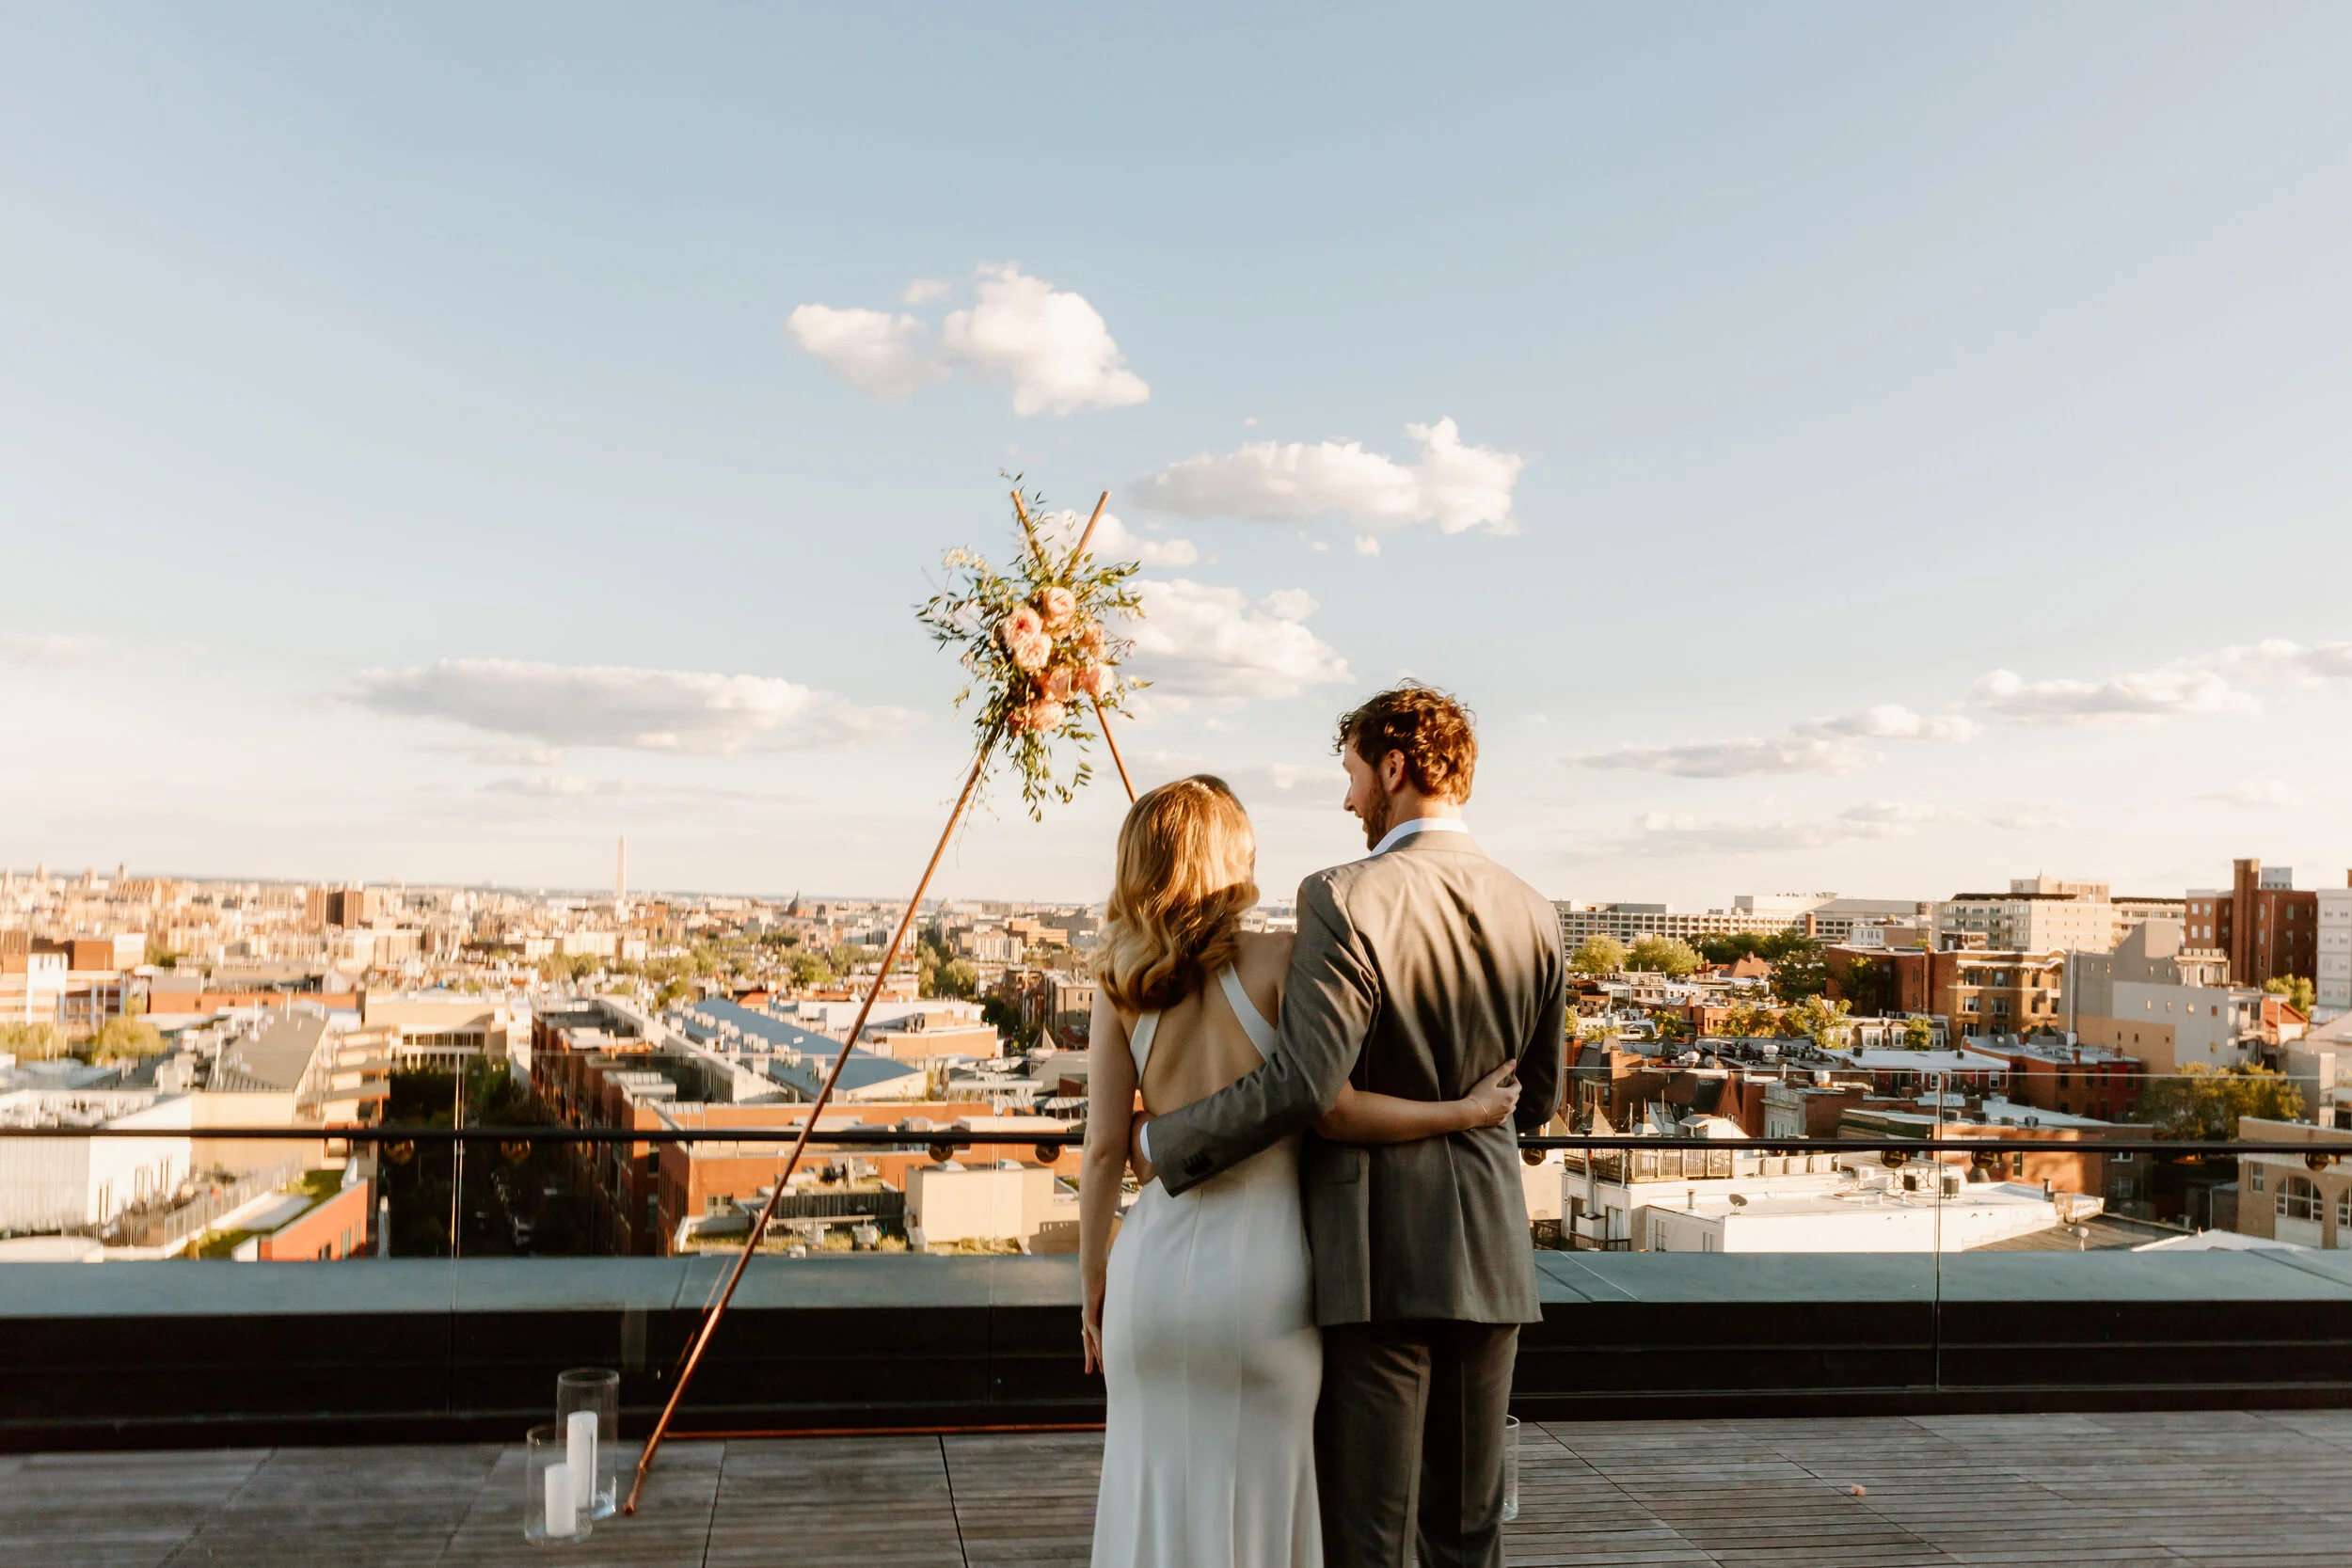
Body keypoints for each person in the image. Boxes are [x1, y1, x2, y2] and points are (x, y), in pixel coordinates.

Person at [1131, 686, 1566, 1568]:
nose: (1349, 799)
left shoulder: (1341, 894)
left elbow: (1307, 1087)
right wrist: (1467, 1113)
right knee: (1469, 1529)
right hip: (1490, 1252)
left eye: (1354, 774)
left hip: (1377, 1262)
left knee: (1367, 1534)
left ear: (1394, 767)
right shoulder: (1537, 909)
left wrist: (1163, 1141)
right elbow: (1541, 1096)